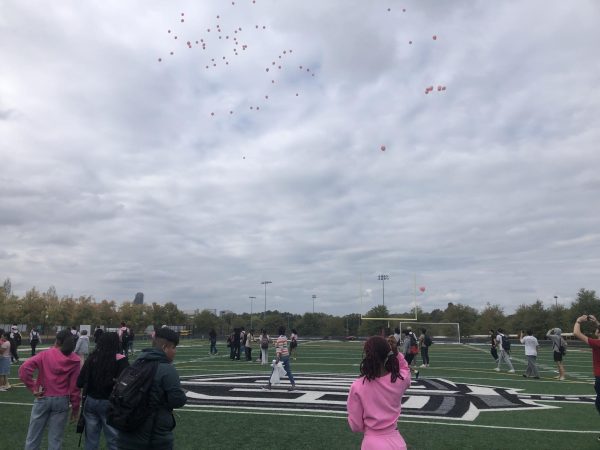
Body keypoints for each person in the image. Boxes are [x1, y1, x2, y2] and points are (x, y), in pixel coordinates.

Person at [116, 327, 187, 450]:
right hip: (154, 437)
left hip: (127, 431)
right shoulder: (167, 369)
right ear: (165, 348)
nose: (175, 351)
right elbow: (177, 400)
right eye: (174, 347)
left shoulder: (136, 363)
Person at [19, 329, 81, 450]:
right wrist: (75, 408)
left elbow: (24, 369)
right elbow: (75, 387)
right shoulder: (75, 360)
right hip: (61, 400)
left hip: (42, 397)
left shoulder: (45, 354)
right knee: (55, 439)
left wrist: (32, 388)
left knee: (33, 437)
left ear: (57, 340)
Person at [347, 335, 411, 449]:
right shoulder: (399, 379)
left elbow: (355, 426)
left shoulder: (358, 386)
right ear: (387, 354)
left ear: (367, 355)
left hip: (372, 443)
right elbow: (405, 370)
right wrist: (397, 354)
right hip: (397, 443)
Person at [77, 332, 129, 450]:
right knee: (114, 440)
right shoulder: (120, 360)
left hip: (90, 401)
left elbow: (79, 382)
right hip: (110, 403)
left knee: (91, 440)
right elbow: (126, 384)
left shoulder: (92, 358)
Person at [573, 315, 600, 421]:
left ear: (598, 332)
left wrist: (578, 321)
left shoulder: (597, 343)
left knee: (599, 404)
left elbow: (576, 333)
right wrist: (596, 322)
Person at [264, 326, 296, 390]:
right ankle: (293, 385)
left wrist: (278, 358)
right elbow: (282, 346)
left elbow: (280, 349)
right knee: (288, 371)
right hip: (286, 355)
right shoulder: (284, 337)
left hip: (282, 356)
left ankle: (269, 385)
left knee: (274, 370)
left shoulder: (279, 338)